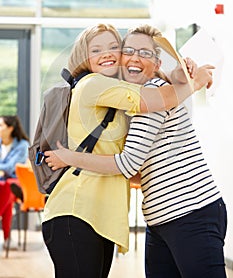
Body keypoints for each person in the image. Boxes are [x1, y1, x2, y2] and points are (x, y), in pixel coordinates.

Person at [44, 25, 226, 278]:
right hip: (160, 220)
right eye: (128, 50)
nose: (135, 57)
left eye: (145, 53)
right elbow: (137, 170)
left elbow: (128, 165)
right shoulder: (128, 101)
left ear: (157, 63)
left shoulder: (153, 97)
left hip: (190, 213)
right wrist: (183, 78)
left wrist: (70, 158)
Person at [0, 115, 30, 249]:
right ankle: (7, 239)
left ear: (10, 128)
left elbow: (11, 167)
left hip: (16, 182)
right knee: (5, 192)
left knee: (8, 186)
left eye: (1, 125)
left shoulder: (22, 145)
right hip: (3, 183)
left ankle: (7, 238)